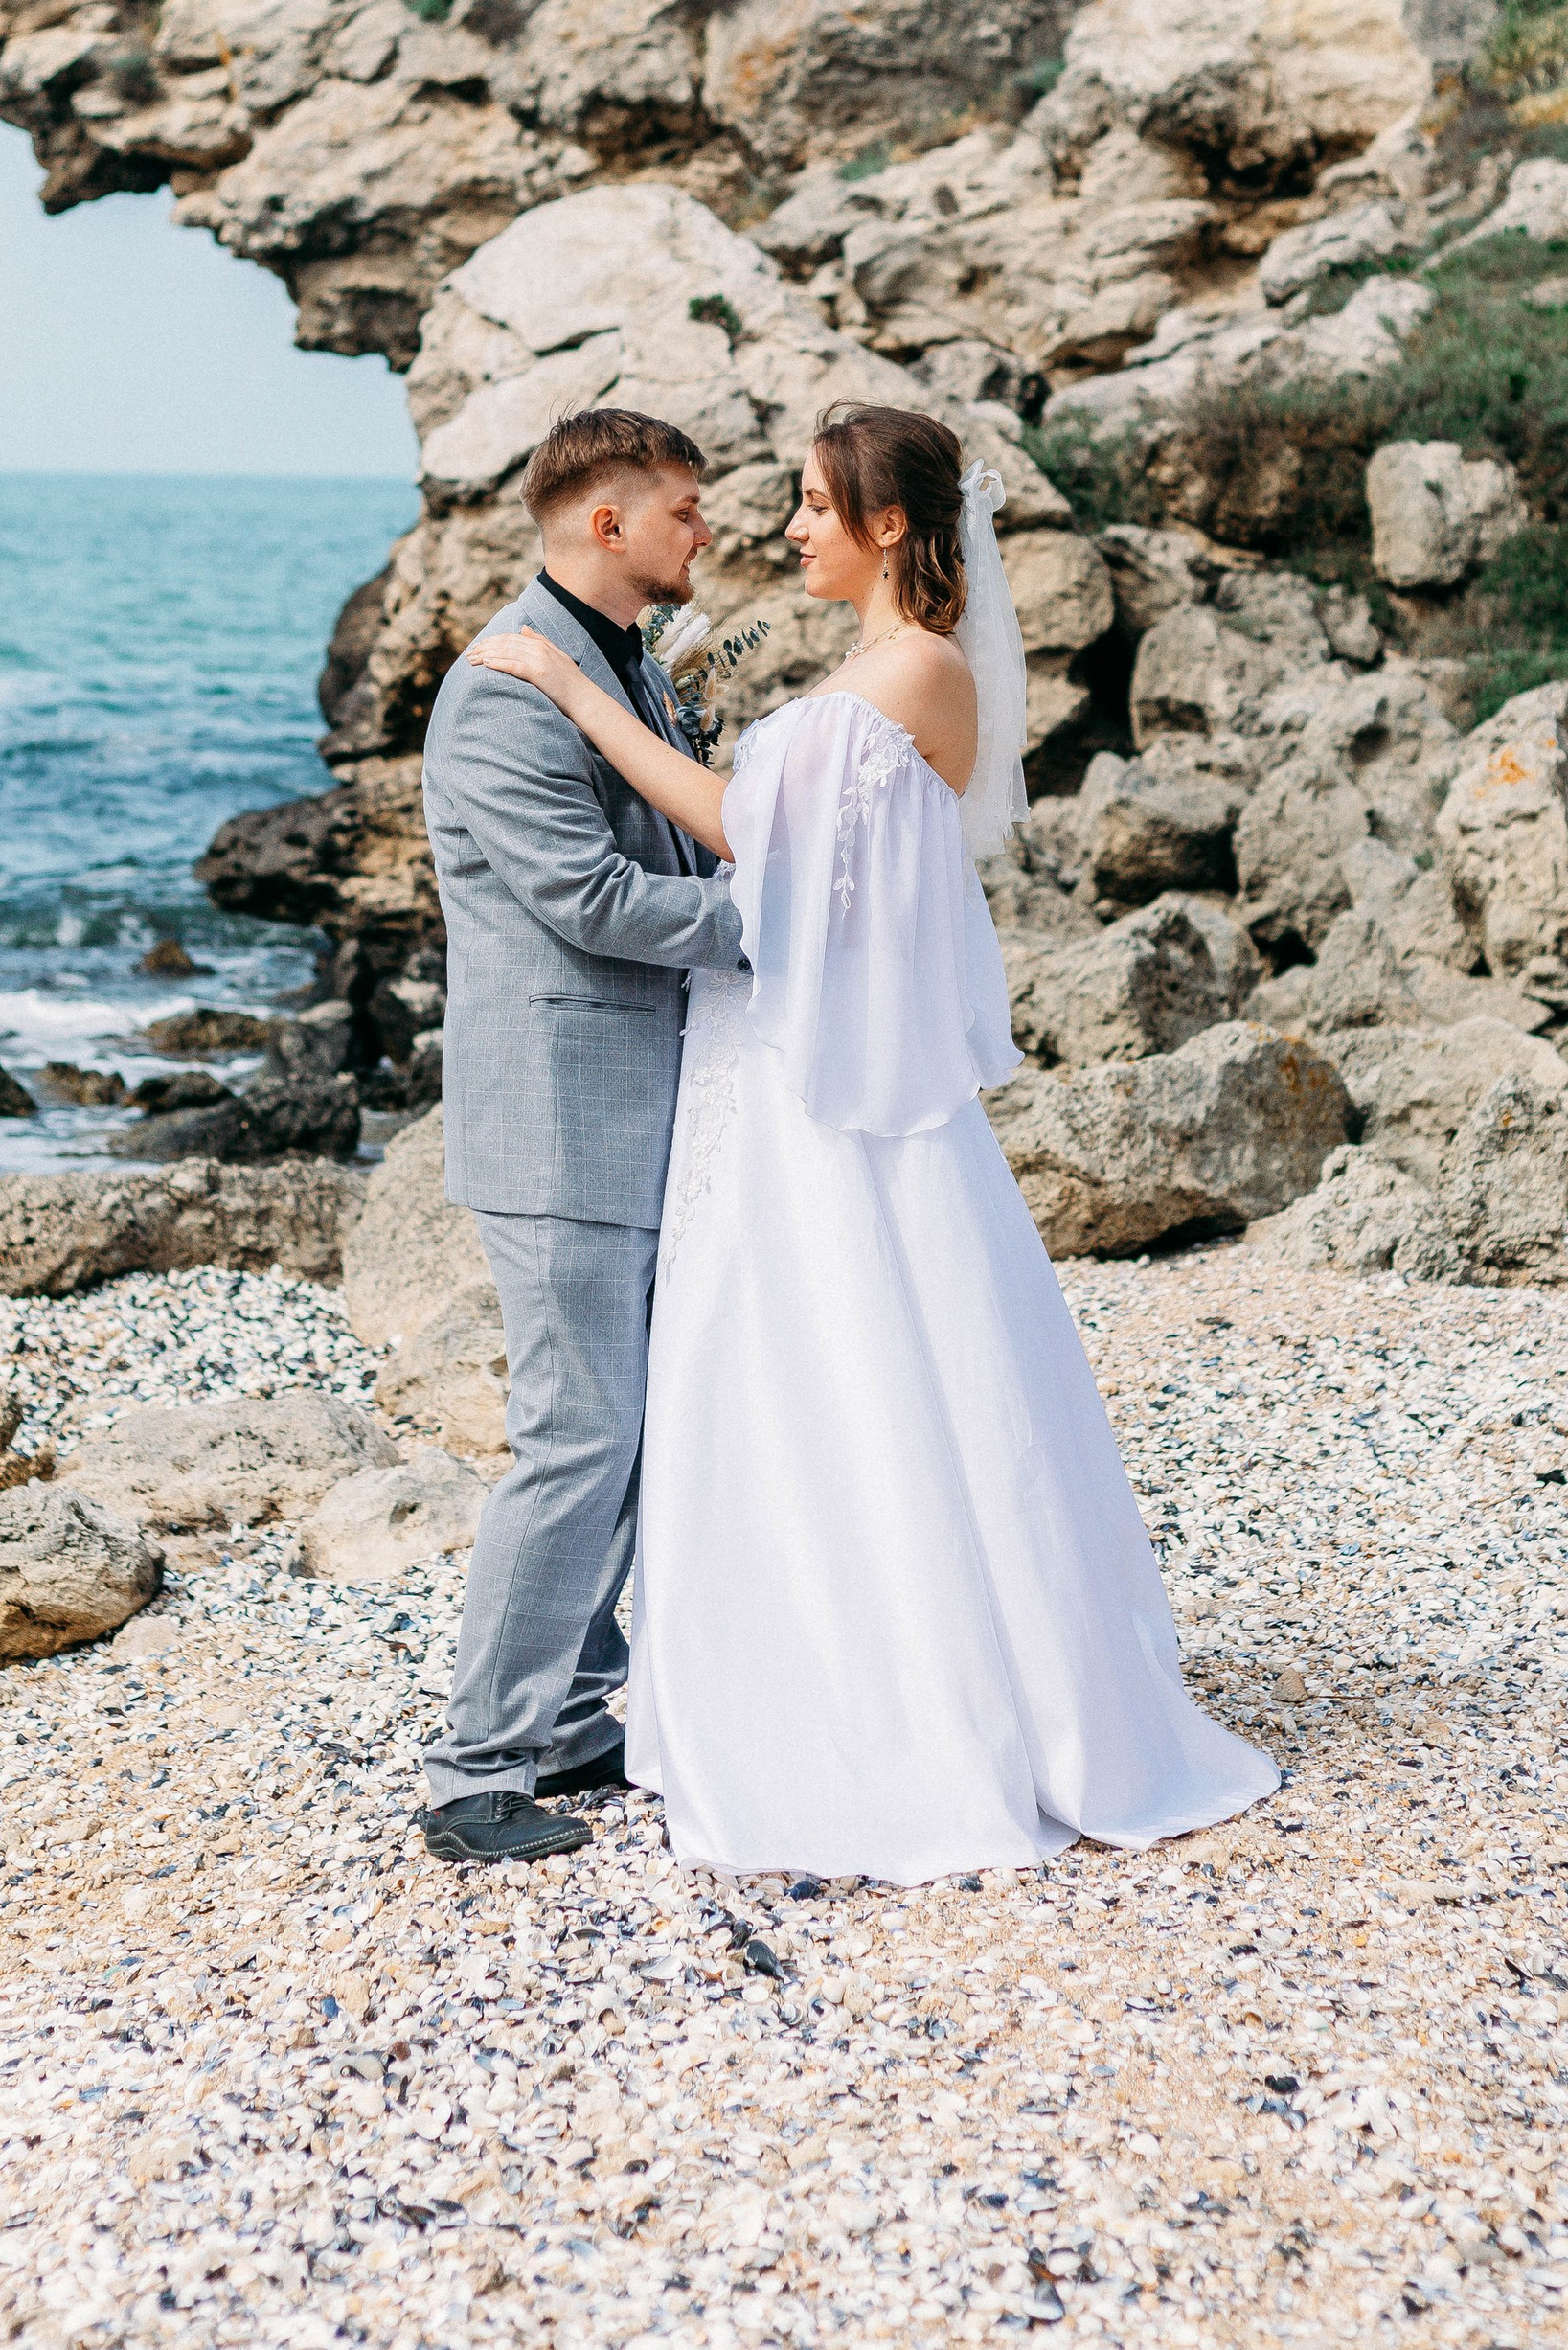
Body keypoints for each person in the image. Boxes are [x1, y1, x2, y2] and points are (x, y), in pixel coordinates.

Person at [466, 401, 1278, 1885]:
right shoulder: (868, 669)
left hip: (798, 1080)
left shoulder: (909, 670)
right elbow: (735, 863)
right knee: (741, 1386)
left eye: (809, 504)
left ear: (887, 524)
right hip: (741, 1081)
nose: (775, 528)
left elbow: (753, 844)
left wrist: (595, 713)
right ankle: (582, 1724)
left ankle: (857, 1701)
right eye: (722, 503)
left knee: (815, 1372)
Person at [414, 405, 746, 1867]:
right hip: (559, 1122)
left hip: (639, 1107)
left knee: (627, 1431)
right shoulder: (505, 689)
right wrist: (774, 921)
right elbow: (589, 900)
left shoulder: (630, 666)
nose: (706, 530)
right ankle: (472, 1770)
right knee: (576, 1438)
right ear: (606, 523)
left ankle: (565, 1718)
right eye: (684, 509)